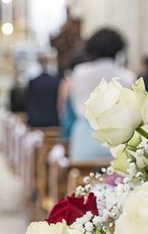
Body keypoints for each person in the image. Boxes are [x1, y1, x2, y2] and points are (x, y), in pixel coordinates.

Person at [68, 28, 135, 161]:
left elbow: (74, 102)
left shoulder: (80, 72)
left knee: (81, 178)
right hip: (119, 137)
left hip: (86, 135)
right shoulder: (128, 76)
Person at [26, 53, 60, 127]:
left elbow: (28, 100)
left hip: (36, 119)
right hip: (53, 119)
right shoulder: (56, 81)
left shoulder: (33, 82)